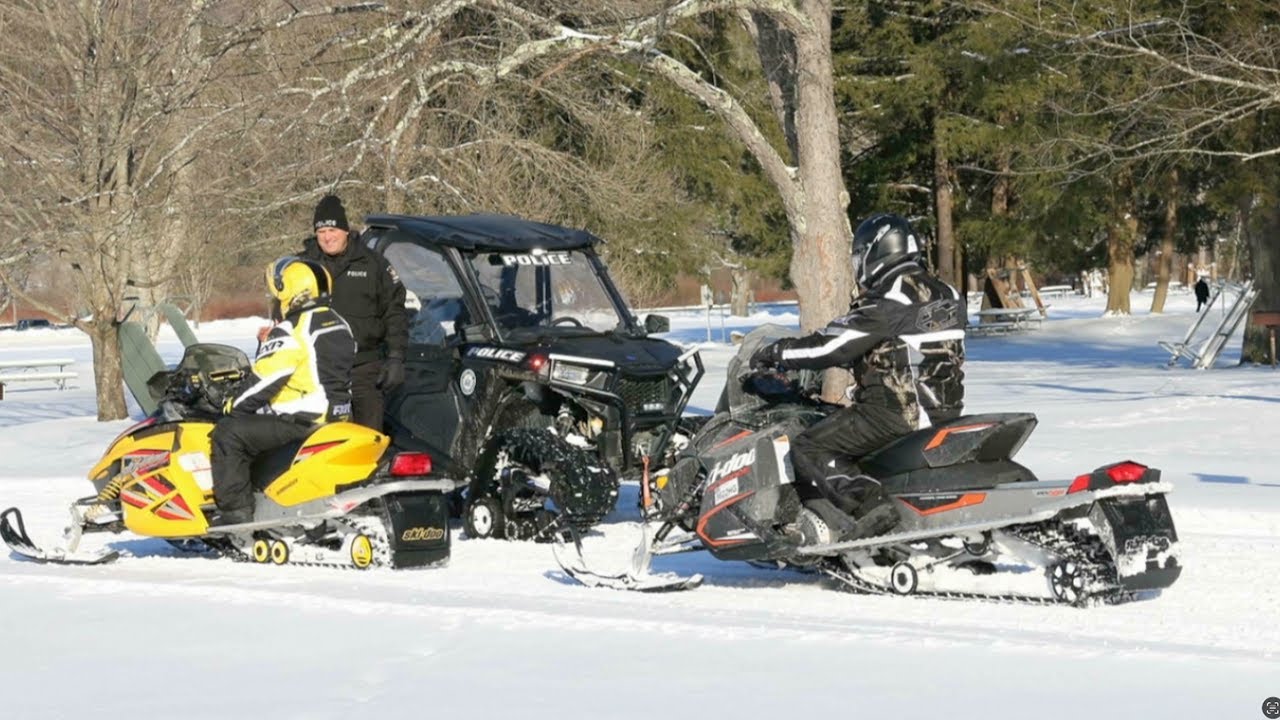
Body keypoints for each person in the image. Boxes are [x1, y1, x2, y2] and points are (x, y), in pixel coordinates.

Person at [750, 213, 966, 543]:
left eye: (859, 255)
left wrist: (778, 353)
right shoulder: (944, 290)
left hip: (895, 414)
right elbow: (909, 346)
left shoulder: (892, 298)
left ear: (875, 253)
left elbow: (833, 345)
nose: (857, 264)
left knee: (810, 446)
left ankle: (870, 508)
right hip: (943, 410)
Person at [210, 258, 355, 526]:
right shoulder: (338, 322)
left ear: (290, 292)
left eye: (276, 295)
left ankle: (235, 513)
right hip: (338, 417)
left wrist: (230, 405)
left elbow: (264, 382)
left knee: (228, 433)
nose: (274, 301)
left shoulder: (291, 329)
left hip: (302, 421)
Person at [300, 194, 408, 430]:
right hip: (318, 372)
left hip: (364, 370)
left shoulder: (374, 264)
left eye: (332, 230)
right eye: (321, 232)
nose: (327, 237)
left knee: (367, 441)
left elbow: (395, 312)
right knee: (322, 443)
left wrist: (396, 357)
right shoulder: (302, 266)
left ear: (346, 230)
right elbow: (285, 311)